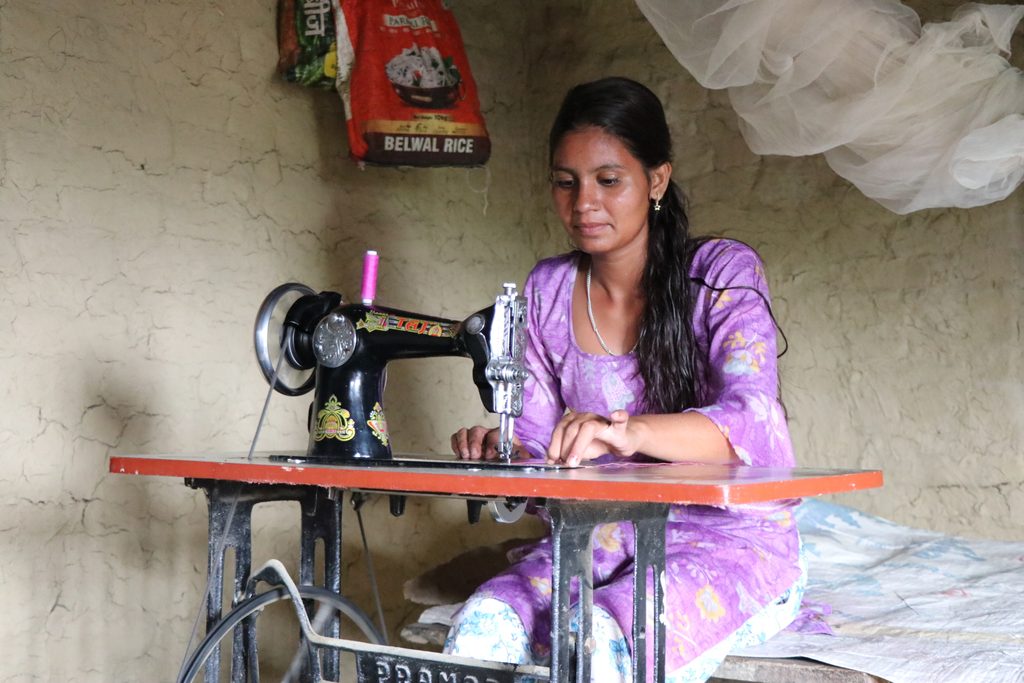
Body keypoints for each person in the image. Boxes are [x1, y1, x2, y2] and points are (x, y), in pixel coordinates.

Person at [446, 77, 806, 682]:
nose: (584, 202)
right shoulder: (549, 290)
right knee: (484, 623)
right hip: (601, 530)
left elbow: (753, 418)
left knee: (606, 638)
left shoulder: (718, 274)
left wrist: (625, 432)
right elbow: (541, 453)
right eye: (566, 182)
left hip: (726, 535)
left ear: (656, 180)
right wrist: (504, 456)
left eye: (608, 180)